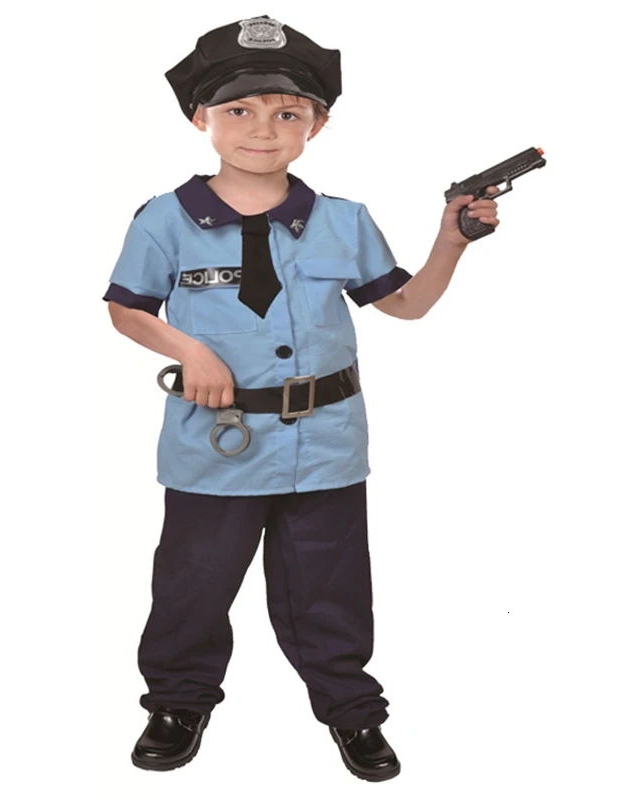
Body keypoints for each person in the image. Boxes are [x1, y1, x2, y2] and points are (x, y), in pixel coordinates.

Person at [102, 14, 499, 782]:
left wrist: (450, 239)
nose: (263, 129)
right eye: (239, 110)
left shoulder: (343, 222)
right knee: (193, 583)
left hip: (326, 441)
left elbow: (407, 305)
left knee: (331, 587)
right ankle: (177, 704)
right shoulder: (165, 220)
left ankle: (351, 711)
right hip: (215, 441)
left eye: (288, 113)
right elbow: (127, 309)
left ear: (317, 126)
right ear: (200, 118)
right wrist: (190, 350)